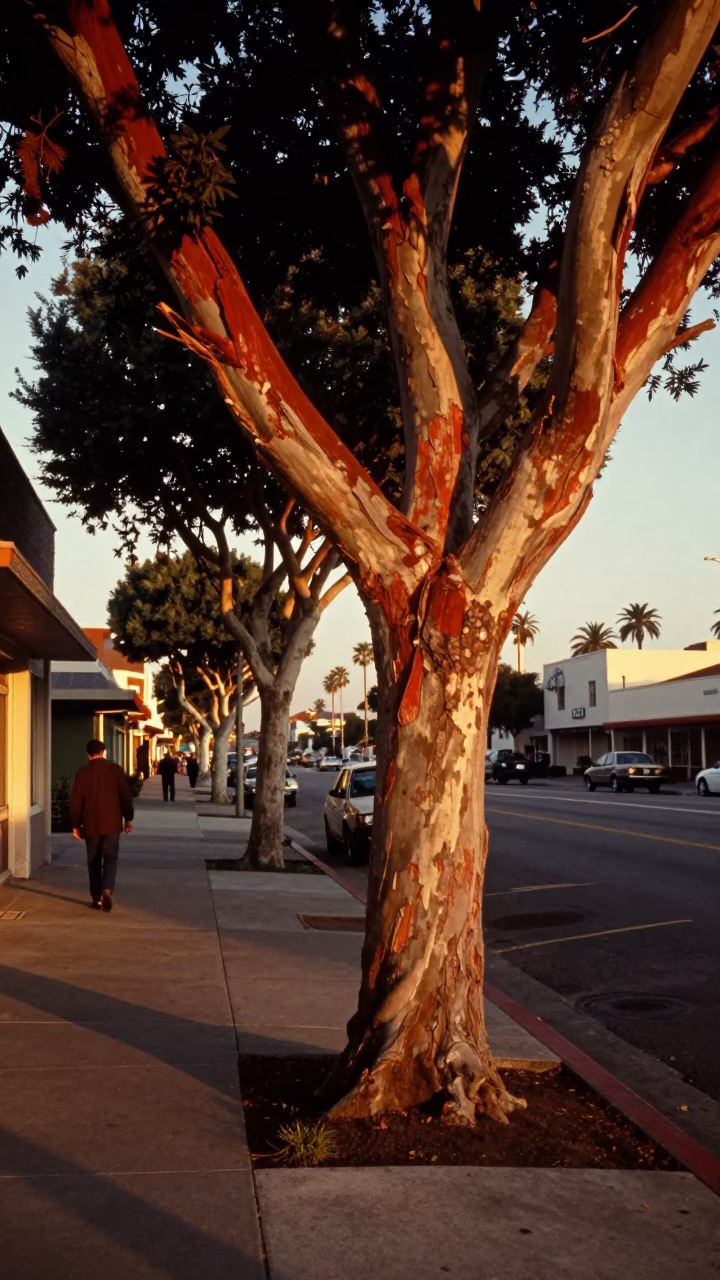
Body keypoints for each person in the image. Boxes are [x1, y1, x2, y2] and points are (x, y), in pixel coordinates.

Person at [71, 739, 134, 912]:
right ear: (103, 751)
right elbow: (125, 796)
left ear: (88, 753)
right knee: (110, 858)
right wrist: (128, 818)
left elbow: (76, 801)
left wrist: (75, 824)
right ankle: (107, 889)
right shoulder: (115, 770)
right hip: (112, 823)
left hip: (90, 824)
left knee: (93, 861)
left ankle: (96, 897)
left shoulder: (82, 773)